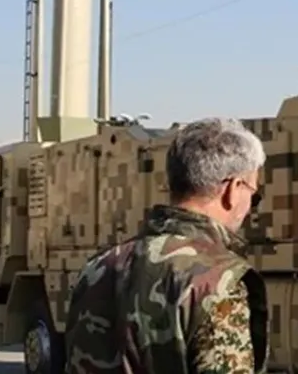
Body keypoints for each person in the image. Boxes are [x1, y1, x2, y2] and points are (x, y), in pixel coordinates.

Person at [64, 117, 270, 374]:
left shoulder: (96, 269)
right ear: (234, 189)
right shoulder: (218, 281)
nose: (250, 207)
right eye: (253, 196)